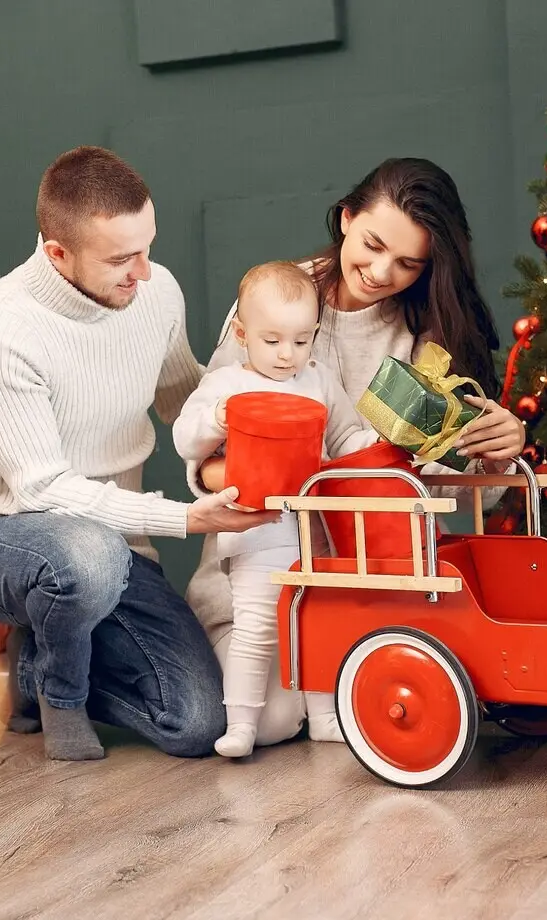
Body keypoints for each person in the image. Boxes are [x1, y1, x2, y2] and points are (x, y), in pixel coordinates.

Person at [185, 157, 528, 748]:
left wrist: (494, 455)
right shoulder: (274, 296)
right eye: (371, 245)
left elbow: (437, 489)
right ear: (346, 218)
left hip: (372, 580)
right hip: (261, 562)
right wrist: (258, 478)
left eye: (407, 263)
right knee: (263, 720)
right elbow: (212, 440)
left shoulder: (430, 332)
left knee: (347, 706)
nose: (380, 271)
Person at [0, 146, 276, 762]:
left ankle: (35, 666)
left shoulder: (155, 293)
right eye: (122, 258)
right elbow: (41, 490)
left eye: (148, 248)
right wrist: (185, 518)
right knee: (88, 554)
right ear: (58, 254)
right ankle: (58, 689)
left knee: (199, 724)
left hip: (116, 548)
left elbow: (185, 399)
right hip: (6, 536)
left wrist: (262, 402)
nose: (144, 272)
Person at [172, 261, 381, 757]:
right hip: (255, 534)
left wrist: (372, 445)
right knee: (258, 628)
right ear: (242, 335)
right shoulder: (226, 385)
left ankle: (328, 716)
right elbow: (186, 439)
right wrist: (217, 421)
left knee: (317, 622)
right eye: (272, 341)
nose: (288, 355)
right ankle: (240, 723)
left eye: (301, 340)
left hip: (313, 534)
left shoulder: (319, 379)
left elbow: (346, 434)